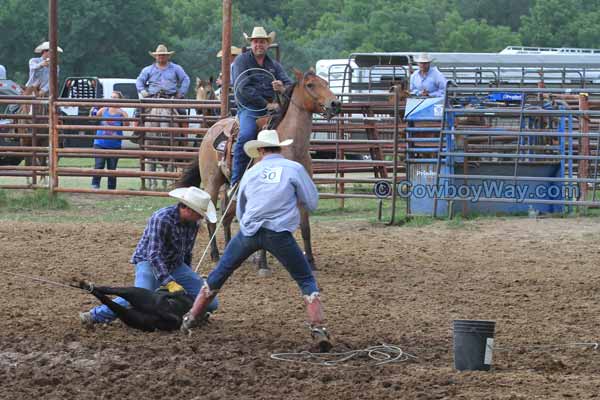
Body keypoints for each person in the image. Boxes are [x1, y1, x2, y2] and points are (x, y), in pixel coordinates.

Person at [180, 130, 332, 352]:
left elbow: (241, 208)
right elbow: (311, 202)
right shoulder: (294, 169)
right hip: (279, 233)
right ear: (279, 148)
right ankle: (318, 329)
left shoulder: (251, 173)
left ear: (260, 151)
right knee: (305, 280)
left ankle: (191, 317)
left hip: (248, 232)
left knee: (218, 275)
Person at [80, 186, 219, 325]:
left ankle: (191, 314)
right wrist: (169, 282)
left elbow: (187, 252)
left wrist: (188, 272)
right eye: (200, 213)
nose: (201, 217)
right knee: (141, 294)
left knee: (211, 302)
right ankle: (95, 315)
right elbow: (154, 254)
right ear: (188, 209)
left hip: (175, 265)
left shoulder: (193, 223)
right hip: (148, 262)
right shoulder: (162, 218)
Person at [229, 27, 293, 194]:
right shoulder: (241, 61)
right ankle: (235, 182)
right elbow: (243, 88)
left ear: (267, 45)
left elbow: (289, 85)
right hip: (249, 108)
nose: (259, 44)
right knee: (246, 134)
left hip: (273, 110)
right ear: (251, 43)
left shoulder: (274, 65)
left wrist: (282, 88)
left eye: (262, 42)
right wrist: (265, 104)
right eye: (256, 41)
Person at [90, 91, 128, 190]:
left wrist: (123, 115)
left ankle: (111, 188)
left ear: (120, 100)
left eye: (115, 97)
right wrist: (92, 111)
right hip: (100, 143)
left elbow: (127, 126)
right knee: (99, 165)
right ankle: (95, 185)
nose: (112, 99)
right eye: (111, 97)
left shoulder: (122, 113)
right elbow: (93, 118)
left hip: (114, 144)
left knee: (112, 168)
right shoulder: (103, 110)